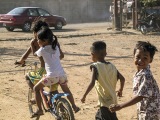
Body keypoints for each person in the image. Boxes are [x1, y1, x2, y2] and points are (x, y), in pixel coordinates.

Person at [33, 27, 80, 116]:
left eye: (38, 39)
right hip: (62, 75)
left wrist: (32, 45)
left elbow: (35, 54)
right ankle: (74, 106)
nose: (37, 41)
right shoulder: (56, 48)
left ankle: (39, 110)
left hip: (51, 77)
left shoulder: (42, 50)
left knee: (36, 88)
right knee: (67, 90)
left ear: (45, 41)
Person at [109, 41, 160, 120]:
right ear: (134, 56)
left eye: (145, 58)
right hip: (145, 111)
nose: (140, 60)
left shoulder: (146, 75)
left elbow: (140, 96)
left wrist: (121, 106)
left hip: (150, 114)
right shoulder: (140, 73)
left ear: (151, 60)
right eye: (138, 57)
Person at [81, 41, 125, 120]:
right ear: (106, 53)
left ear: (93, 55)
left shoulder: (95, 66)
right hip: (112, 99)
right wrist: (120, 90)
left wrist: (84, 95)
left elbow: (92, 83)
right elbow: (122, 79)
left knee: (103, 116)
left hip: (104, 101)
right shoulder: (112, 66)